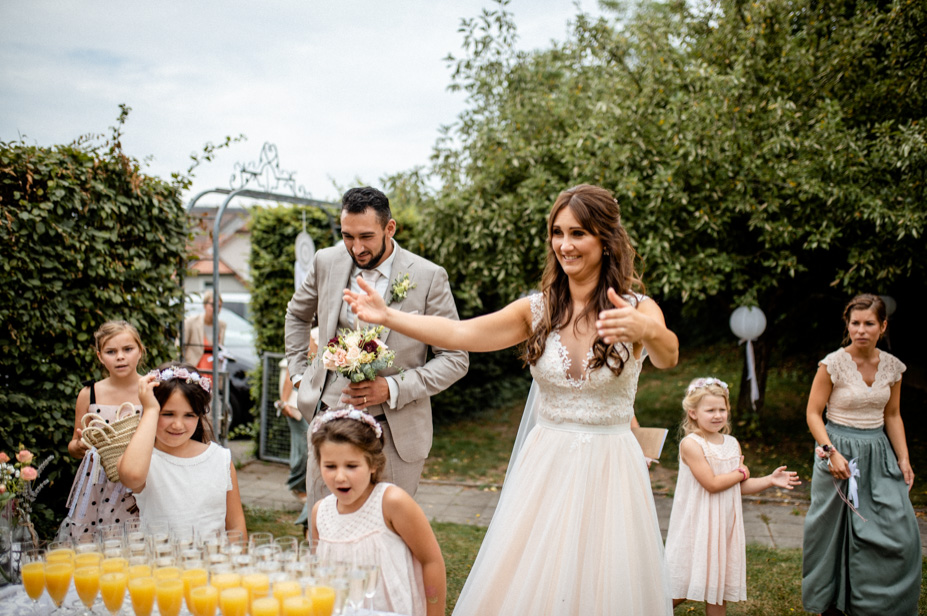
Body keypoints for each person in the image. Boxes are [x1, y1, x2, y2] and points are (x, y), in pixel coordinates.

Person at [345, 184, 679, 615]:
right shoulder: (537, 310)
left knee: (605, 581)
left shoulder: (637, 308)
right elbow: (463, 334)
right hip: (546, 466)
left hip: (611, 467)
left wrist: (646, 330)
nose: (565, 244)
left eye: (578, 233)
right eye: (557, 233)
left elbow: (669, 355)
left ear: (605, 239)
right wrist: (389, 316)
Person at [284, 186, 469, 507]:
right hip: (329, 421)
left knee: (390, 533)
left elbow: (455, 358)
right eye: (347, 236)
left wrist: (393, 388)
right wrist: (300, 376)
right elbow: (297, 315)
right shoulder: (326, 261)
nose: (356, 248)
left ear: (390, 228)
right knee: (325, 530)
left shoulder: (428, 276)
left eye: (366, 236)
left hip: (396, 434)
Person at [802, 294, 920, 615]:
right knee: (832, 532)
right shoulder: (833, 364)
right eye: (855, 323)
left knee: (900, 531)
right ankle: (832, 605)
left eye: (869, 323)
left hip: (878, 453)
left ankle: (881, 604)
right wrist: (831, 452)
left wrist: (904, 459)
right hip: (837, 451)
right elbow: (814, 413)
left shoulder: (893, 368)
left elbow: (893, 415)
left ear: (882, 326)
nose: (861, 330)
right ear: (848, 325)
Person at [664, 377, 800, 615]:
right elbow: (712, 484)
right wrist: (740, 473)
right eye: (710, 410)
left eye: (722, 409)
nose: (717, 415)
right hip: (698, 526)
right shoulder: (691, 444)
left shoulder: (732, 443)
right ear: (693, 412)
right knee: (682, 585)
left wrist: (769, 479)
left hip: (723, 526)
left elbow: (738, 486)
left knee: (717, 588)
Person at [310, 409, 446, 616]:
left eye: (351, 466)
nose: (339, 477)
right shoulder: (320, 512)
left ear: (373, 464)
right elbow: (319, 573)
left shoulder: (391, 502)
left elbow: (432, 561)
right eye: (330, 466)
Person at [117, 362, 247, 538]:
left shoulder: (220, 459)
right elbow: (131, 476)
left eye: (189, 415)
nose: (177, 425)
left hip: (211, 563)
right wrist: (150, 409)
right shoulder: (144, 459)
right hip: (160, 562)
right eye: (167, 414)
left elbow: (236, 525)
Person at [59, 321, 145, 539]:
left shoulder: (151, 389)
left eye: (128, 349)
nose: (120, 357)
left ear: (140, 351)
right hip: (97, 485)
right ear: (99, 356)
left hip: (140, 484)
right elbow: (73, 444)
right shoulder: (89, 394)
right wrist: (78, 446)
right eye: (111, 351)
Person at [182, 290, 227, 382]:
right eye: (212, 305)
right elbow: (181, 346)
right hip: (195, 368)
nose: (215, 309)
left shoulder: (221, 325)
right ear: (204, 305)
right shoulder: (191, 322)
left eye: (219, 306)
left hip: (213, 369)